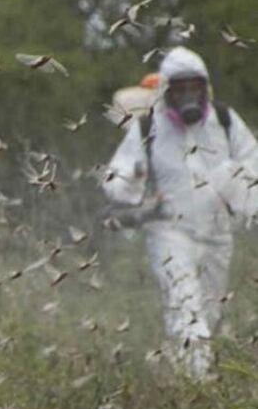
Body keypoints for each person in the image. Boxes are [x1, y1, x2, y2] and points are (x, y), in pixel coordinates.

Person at [102, 46, 258, 380]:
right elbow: (116, 178)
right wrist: (135, 183)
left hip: (219, 234)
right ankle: (201, 394)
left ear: (205, 88)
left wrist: (235, 185)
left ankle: (176, 383)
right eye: (180, 88)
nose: (188, 95)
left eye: (194, 87)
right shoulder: (148, 127)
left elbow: (253, 163)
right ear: (166, 92)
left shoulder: (225, 120)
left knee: (210, 316)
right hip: (170, 233)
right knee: (186, 313)